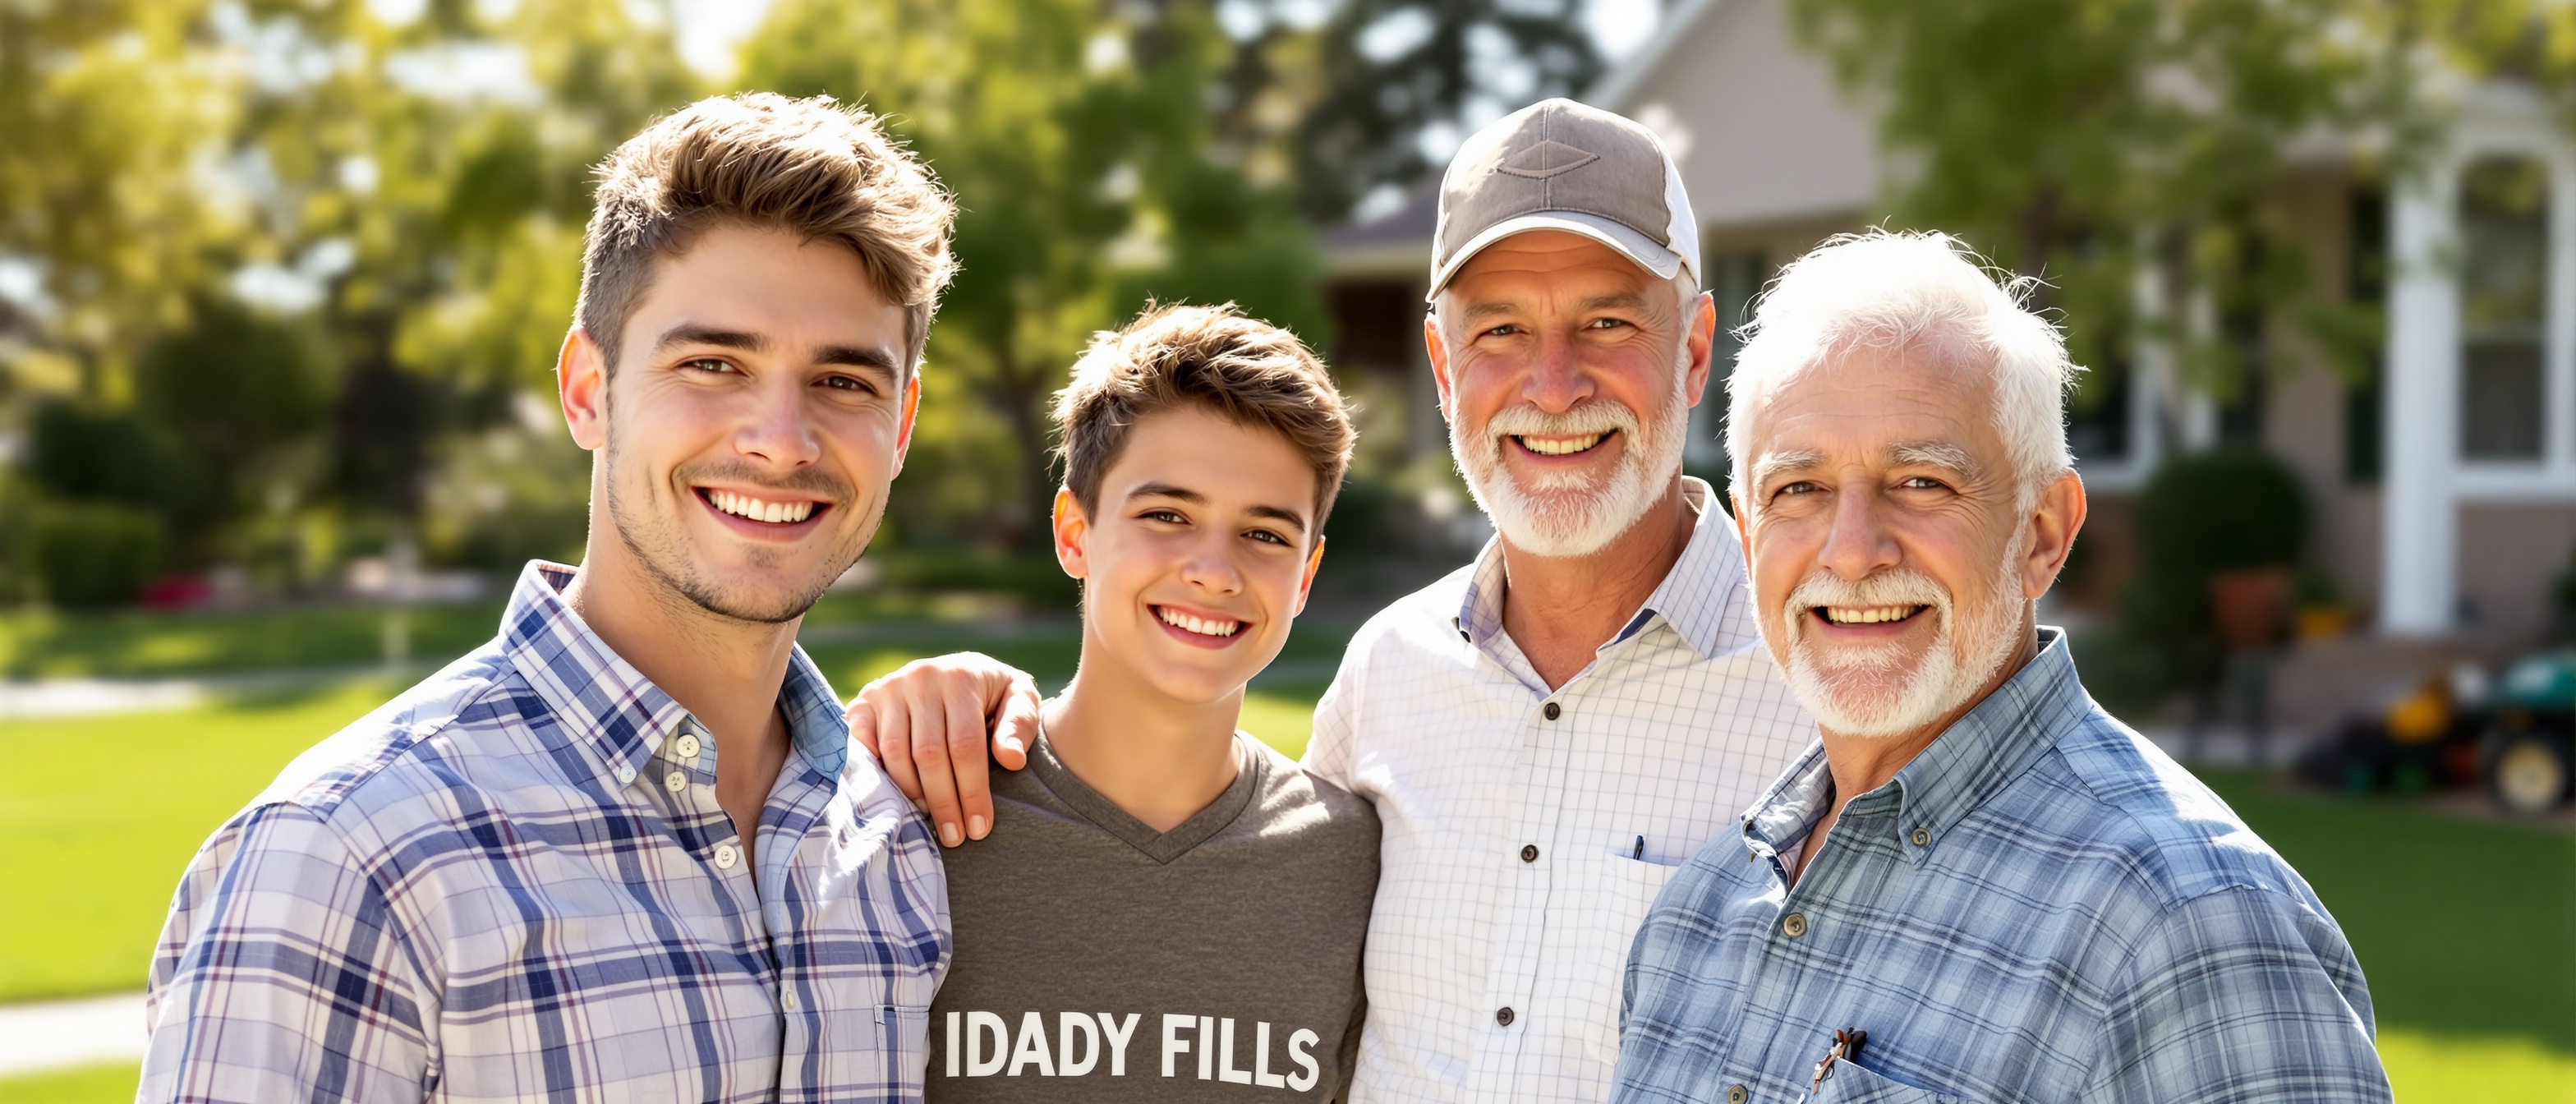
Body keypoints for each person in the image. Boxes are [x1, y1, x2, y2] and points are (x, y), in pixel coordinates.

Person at [848, 98, 1814, 1104]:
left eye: (1606, 322)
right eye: (1501, 329)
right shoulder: (1388, 673)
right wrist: (957, 693)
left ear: (1697, 351)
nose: (1554, 383)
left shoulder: (1816, 688)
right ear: (1443, 369)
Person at [141, 94, 957, 1102]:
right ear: (586, 389)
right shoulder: (352, 854)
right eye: (712, 364)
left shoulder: (904, 843)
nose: (780, 439)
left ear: (903, 423)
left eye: (844, 382)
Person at [1612, 230, 2388, 1103]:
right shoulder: (1695, 916)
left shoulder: (2187, 923)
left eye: (1921, 482)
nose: (1853, 551)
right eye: (1800, 490)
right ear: (1749, 535)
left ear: (2042, 533)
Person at [927, 304, 1378, 1102]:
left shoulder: (1351, 866)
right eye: (1167, 516)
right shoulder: (928, 808)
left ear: (1304, 578)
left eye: (1265, 535)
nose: (1213, 570)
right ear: (1074, 534)